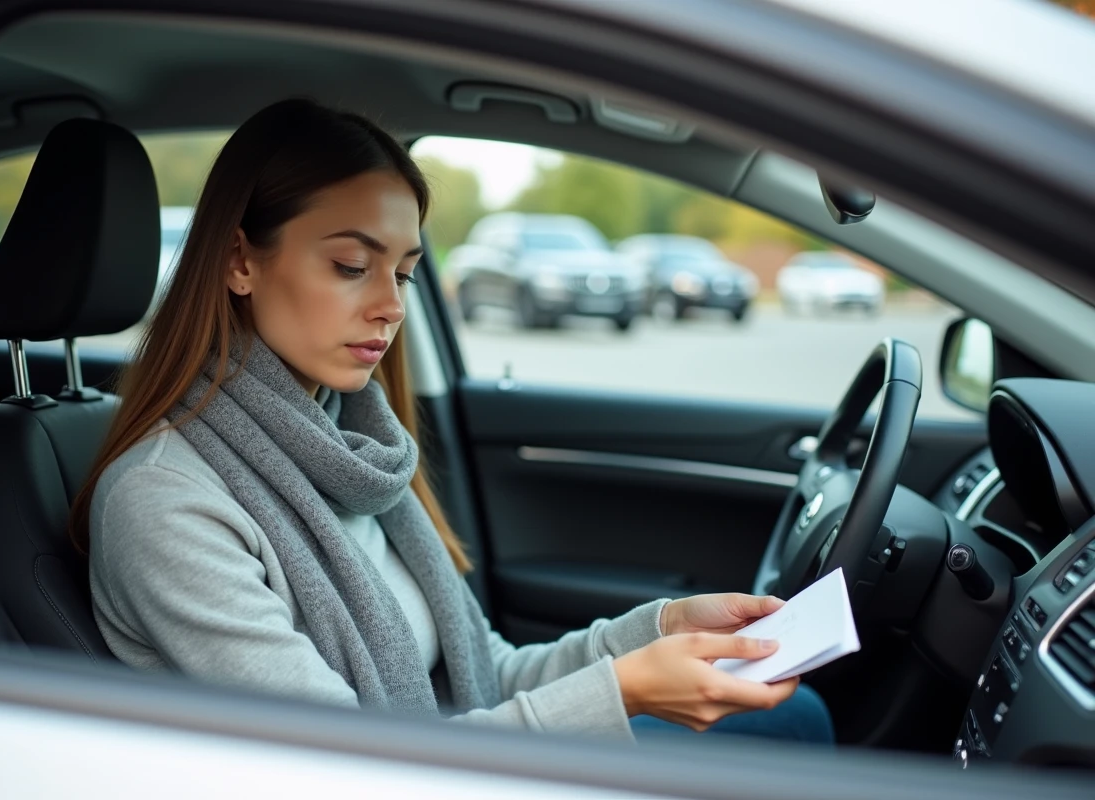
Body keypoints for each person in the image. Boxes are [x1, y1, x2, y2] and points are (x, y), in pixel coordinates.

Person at [72, 98, 833, 745]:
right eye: (349, 265)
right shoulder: (165, 499)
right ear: (240, 261)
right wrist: (623, 692)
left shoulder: (350, 450)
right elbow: (343, 765)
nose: (391, 306)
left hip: (456, 762)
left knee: (796, 716)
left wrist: (657, 630)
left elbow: (488, 674)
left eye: (402, 272)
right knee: (797, 728)